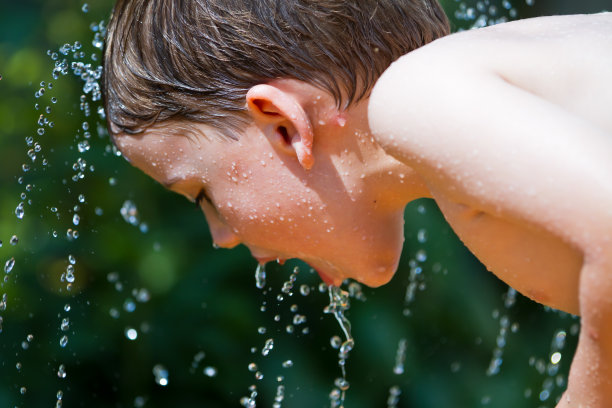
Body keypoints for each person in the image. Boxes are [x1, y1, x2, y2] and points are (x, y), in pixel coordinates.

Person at [102, 1, 612, 406]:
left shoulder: (416, 98)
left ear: (281, 124)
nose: (222, 236)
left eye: (201, 195)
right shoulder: (473, 127)